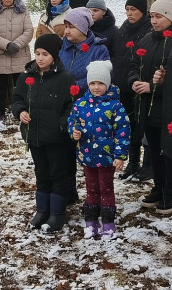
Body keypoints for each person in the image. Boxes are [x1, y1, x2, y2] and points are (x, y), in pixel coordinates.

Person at [128, 0, 172, 214]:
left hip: (169, 107)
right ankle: (158, 187)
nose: (153, 21)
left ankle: (170, 192)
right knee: (153, 150)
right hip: (149, 108)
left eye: (158, 16)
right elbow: (134, 64)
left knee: (169, 151)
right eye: (151, 16)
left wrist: (153, 88)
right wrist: (134, 80)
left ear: (170, 18)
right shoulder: (147, 39)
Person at [12, 34, 75, 232]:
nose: (40, 58)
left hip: (56, 137)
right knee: (41, 172)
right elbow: (17, 98)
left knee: (58, 172)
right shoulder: (26, 76)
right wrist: (20, 111)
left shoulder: (64, 78)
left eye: (45, 54)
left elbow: (70, 106)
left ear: (55, 56)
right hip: (34, 135)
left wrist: (61, 124)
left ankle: (57, 213)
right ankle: (42, 209)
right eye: (37, 53)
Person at [68, 60, 130, 239]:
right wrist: (74, 132)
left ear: (108, 84)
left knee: (106, 188)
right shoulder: (81, 103)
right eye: (92, 83)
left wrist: (119, 155)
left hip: (107, 158)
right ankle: (91, 222)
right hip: (87, 155)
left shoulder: (115, 106)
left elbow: (123, 131)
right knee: (91, 188)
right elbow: (72, 120)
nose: (96, 87)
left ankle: (109, 224)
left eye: (101, 83)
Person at [111, 0, 152, 181]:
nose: (129, 13)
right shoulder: (123, 29)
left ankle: (144, 165)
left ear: (142, 12)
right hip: (122, 84)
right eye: (127, 9)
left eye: (133, 9)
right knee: (127, 125)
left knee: (140, 126)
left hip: (138, 84)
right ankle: (132, 163)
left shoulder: (148, 30)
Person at [58, 7, 110, 94]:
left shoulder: (99, 49)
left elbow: (102, 76)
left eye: (71, 27)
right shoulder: (60, 45)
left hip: (87, 99)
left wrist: (74, 86)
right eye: (66, 26)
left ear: (83, 28)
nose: (67, 31)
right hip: (61, 96)